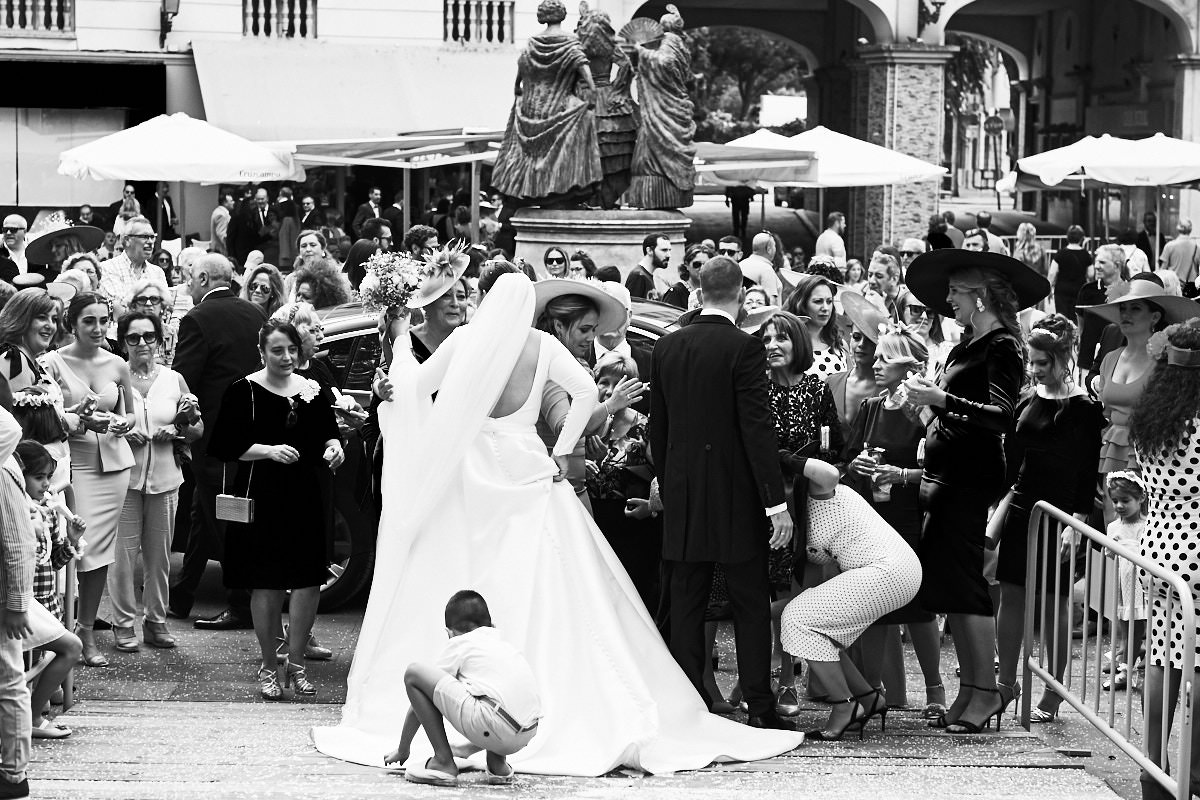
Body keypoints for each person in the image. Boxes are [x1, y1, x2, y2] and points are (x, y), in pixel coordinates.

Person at [315, 271, 803, 773]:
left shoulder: (466, 341)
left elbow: (415, 387)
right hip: (529, 467)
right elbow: (587, 393)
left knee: (462, 566)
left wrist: (398, 339)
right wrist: (565, 447)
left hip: (471, 471)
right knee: (565, 584)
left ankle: (471, 689)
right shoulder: (542, 345)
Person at [902, 248, 1048, 734]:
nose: (948, 301)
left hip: (967, 480)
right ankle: (971, 691)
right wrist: (924, 408)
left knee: (967, 586)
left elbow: (1002, 417)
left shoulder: (1003, 345)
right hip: (947, 477)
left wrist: (942, 399)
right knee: (954, 587)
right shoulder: (970, 345)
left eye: (955, 293)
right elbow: (957, 416)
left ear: (980, 295)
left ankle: (985, 691)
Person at [650, 255, 797, 730]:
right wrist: (776, 503)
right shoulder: (744, 348)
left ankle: (687, 703)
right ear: (739, 294)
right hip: (734, 496)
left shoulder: (667, 348)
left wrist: (669, 481)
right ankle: (759, 705)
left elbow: (660, 429)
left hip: (684, 493)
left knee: (687, 603)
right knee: (749, 603)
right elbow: (757, 430)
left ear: (697, 288)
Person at [208, 319, 342, 700]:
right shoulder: (243, 390)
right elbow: (222, 445)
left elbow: (327, 432)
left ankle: (296, 663)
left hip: (305, 494)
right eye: (277, 350)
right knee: (265, 583)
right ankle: (269, 664)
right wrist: (267, 450)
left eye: (291, 350)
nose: (285, 357)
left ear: (300, 352)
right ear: (262, 352)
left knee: (306, 581)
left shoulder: (313, 390)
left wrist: (335, 447)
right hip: (261, 495)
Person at [991, 314, 1103, 723]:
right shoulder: (1026, 397)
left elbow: (1089, 470)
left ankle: (1054, 692)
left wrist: (1077, 520)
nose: (1035, 369)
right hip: (1023, 507)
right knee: (1011, 595)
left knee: (1055, 603)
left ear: (1063, 358)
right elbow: (1011, 458)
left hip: (1060, 514)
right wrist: (997, 503)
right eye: (1031, 362)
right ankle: (1005, 682)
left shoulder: (1085, 408)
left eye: (1042, 362)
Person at [843, 324, 945, 721]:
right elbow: (848, 459)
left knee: (918, 607)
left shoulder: (922, 412)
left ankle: (935, 688)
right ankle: (873, 690)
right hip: (872, 517)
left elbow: (940, 469)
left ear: (910, 365)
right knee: (871, 604)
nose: (877, 363)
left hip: (909, 516)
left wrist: (900, 474)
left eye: (886, 357)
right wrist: (859, 465)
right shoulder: (870, 406)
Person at [780, 457, 921, 740]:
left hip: (887, 569)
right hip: (889, 571)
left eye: (783, 483)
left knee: (797, 619)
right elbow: (806, 595)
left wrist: (777, 454)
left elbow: (831, 472)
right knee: (814, 626)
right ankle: (867, 698)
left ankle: (845, 706)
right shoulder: (796, 519)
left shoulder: (818, 488)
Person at [170, 255, 266, 630]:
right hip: (251, 432)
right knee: (202, 513)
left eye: (192, 279)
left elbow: (182, 381)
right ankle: (182, 595)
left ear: (205, 278)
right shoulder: (255, 313)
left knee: (223, 519)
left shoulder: (197, 319)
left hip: (215, 439)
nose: (190, 286)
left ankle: (242, 603)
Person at [40, 293, 136, 664]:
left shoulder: (118, 364)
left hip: (112, 467)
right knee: (69, 547)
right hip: (69, 465)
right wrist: (76, 417)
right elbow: (43, 413)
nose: (98, 329)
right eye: (88, 321)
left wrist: (124, 423)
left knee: (98, 554)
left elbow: (127, 416)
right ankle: (55, 629)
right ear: (72, 323)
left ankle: (86, 631)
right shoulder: (51, 362)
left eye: (103, 321)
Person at [1128, 316, 1200, 799]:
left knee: (1162, 657)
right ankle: (1194, 774)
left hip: (1158, 546)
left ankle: (1153, 769)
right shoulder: (1196, 425)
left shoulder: (1152, 421)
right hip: (1196, 542)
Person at [758, 310, 843, 714]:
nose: (773, 345)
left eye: (782, 338)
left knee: (797, 592)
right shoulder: (754, 388)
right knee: (767, 591)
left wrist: (823, 467)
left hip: (808, 502)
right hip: (763, 500)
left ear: (799, 344)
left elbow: (835, 447)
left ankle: (789, 679)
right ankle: (758, 671)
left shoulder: (816, 388)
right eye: (767, 338)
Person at [109, 311, 201, 651]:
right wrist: (122, 434)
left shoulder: (174, 379)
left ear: (159, 340)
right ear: (123, 342)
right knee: (121, 556)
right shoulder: (115, 379)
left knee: (159, 558)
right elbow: (102, 424)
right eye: (133, 338)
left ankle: (156, 621)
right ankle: (122, 624)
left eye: (149, 336)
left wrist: (177, 429)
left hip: (165, 481)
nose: (142, 344)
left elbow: (197, 426)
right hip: (125, 481)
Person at [383, 590, 541, 787]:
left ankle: (443, 761)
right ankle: (498, 764)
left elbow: (421, 698)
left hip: (495, 726)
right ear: (492, 626)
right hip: (528, 732)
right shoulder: (503, 646)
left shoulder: (459, 643)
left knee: (414, 673)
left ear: (449, 633)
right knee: (491, 692)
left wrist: (403, 748)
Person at [1078, 276, 1200, 523]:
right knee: (1114, 535)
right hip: (1111, 451)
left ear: (1155, 317)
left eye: (1136, 308)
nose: (1126, 314)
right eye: (1123, 308)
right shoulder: (1110, 357)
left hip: (1154, 456)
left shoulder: (1166, 361)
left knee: (1141, 534)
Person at [491, 0, 600, 206]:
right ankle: (563, 185)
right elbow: (587, 77)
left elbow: (521, 70)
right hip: (561, 107)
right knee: (581, 125)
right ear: (563, 15)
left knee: (531, 154)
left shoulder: (533, 42)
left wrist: (518, 88)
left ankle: (536, 187)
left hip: (532, 108)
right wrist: (591, 97)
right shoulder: (571, 42)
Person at [12, 439, 82, 740]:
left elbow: (53, 562)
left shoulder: (49, 510)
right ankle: (29, 719)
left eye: (48, 478)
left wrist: (71, 539)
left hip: (45, 601)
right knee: (25, 666)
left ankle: (33, 717)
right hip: (21, 602)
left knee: (45, 662)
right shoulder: (14, 510)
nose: (45, 485)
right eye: (38, 477)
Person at [625, 3, 694, 210]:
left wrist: (641, 51)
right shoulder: (680, 43)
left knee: (652, 143)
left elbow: (665, 63)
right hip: (671, 101)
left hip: (663, 105)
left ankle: (656, 193)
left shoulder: (671, 42)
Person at [0, 406, 34, 798]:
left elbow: (17, 544)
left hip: (4, 599)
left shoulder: (4, 468)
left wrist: (16, 604)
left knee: (9, 679)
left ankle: (12, 774)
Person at [1102, 471, 1148, 693]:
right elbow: (1109, 554)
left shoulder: (1146, 526)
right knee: (1123, 626)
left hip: (1140, 587)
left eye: (1125, 501)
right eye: (1115, 501)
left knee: (1136, 627)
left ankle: (1128, 669)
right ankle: (1125, 658)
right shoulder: (1113, 527)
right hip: (1122, 586)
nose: (1119, 505)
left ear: (1141, 499)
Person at [99, 217, 168, 318]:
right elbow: (119, 310)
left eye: (152, 237)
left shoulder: (157, 272)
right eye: (144, 236)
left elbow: (165, 307)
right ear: (127, 240)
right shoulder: (107, 268)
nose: (150, 242)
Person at [1075, 244, 1127, 375]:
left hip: (1121, 361)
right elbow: (1081, 326)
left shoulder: (1131, 291)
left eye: (1102, 262)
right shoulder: (1087, 290)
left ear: (1117, 265)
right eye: (1096, 261)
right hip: (1089, 359)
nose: (1096, 266)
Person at [785, 274, 845, 380]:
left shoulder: (839, 343)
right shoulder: (788, 343)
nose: (825, 308)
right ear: (802, 304)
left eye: (829, 301)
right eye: (818, 301)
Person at [1048, 225, 1092, 320]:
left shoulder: (1060, 254)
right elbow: (1091, 274)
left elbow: (1052, 273)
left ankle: (1064, 334)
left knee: (1062, 319)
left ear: (1067, 237)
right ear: (1082, 238)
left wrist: (1049, 288)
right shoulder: (1086, 255)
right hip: (1079, 290)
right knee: (1076, 317)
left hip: (1062, 290)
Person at [662, 242, 710, 309]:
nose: (702, 268)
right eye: (697, 264)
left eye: (706, 264)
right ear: (687, 265)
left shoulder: (712, 290)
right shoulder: (676, 292)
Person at [1159, 219, 1200, 297]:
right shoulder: (1197, 248)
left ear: (1178, 228)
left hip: (1174, 288)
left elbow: (1162, 270)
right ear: (1190, 229)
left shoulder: (1170, 246)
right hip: (1191, 289)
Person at [740, 233, 782, 304]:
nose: (775, 249)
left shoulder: (740, 264)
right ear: (769, 249)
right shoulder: (766, 269)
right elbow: (771, 302)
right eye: (774, 246)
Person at [625, 234, 669, 300]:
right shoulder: (638, 276)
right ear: (649, 251)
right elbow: (634, 307)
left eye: (669, 250)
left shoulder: (646, 275)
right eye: (664, 250)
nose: (668, 255)